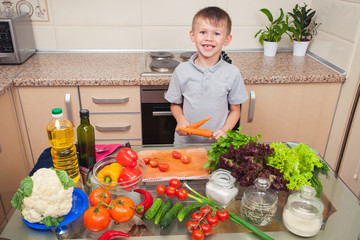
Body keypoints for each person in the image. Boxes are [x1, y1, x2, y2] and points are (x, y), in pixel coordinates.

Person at [165, 6, 249, 144]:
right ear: (193, 35)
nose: (209, 38)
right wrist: (181, 120)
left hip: (216, 145)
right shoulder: (181, 70)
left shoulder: (232, 73)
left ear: (227, 39)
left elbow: (235, 110)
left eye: (216, 34)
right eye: (203, 32)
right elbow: (175, 104)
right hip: (185, 142)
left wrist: (225, 130)